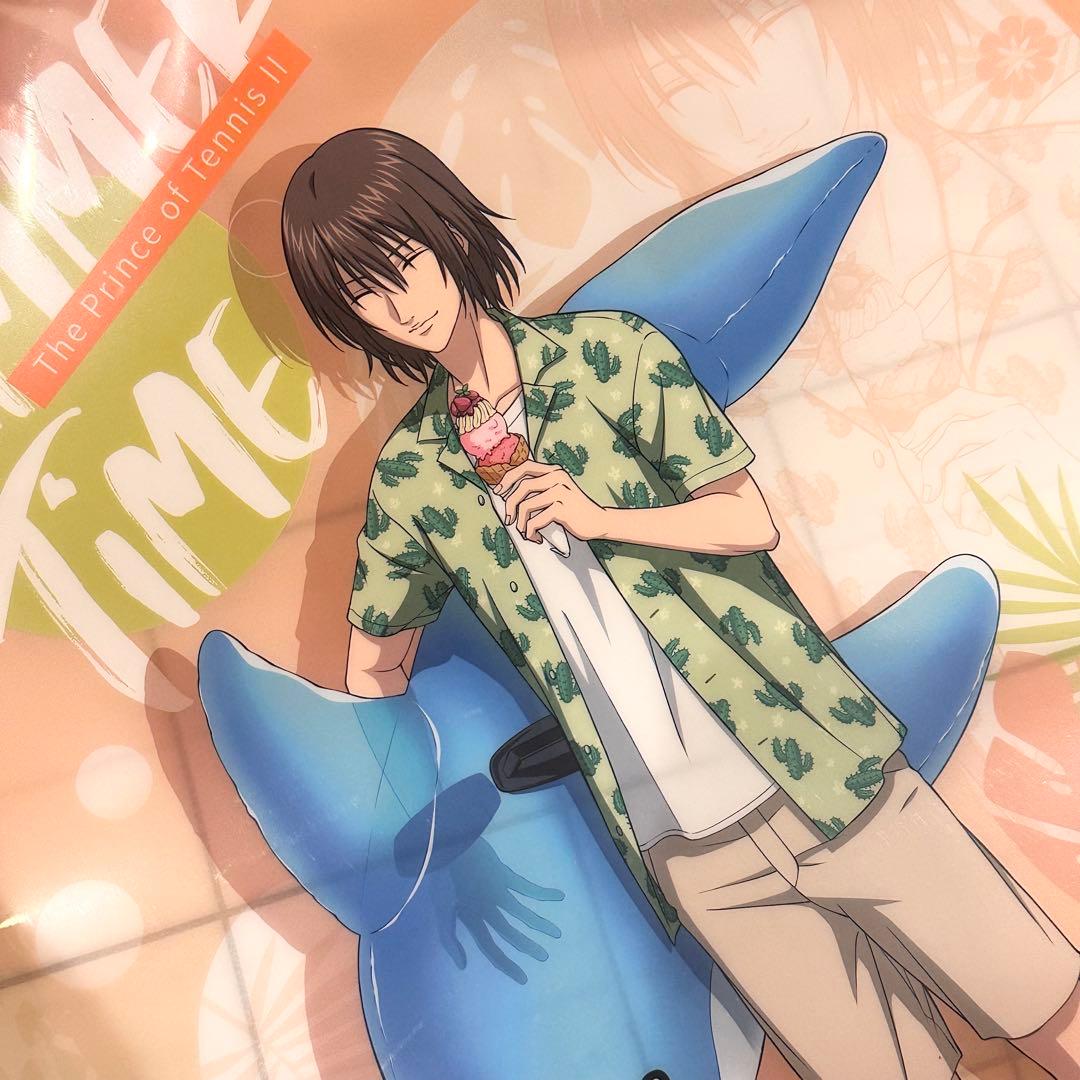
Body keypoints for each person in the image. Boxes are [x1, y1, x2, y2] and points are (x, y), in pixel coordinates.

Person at [280, 127, 1080, 1080]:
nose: (397, 301)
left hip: (813, 753)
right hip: (687, 846)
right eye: (362, 290)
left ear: (448, 233)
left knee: (1044, 1005)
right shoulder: (413, 477)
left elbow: (747, 519)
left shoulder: (609, 356)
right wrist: (441, 844)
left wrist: (600, 518)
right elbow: (373, 668)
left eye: (402, 261)